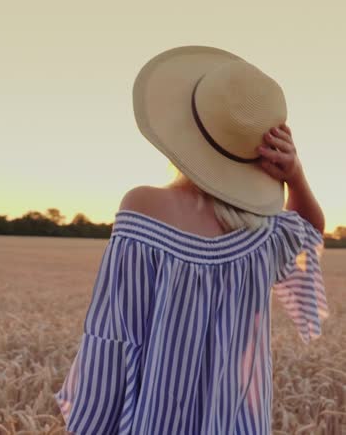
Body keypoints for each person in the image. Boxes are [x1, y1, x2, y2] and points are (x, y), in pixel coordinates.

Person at [53, 45, 329, 434]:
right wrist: (295, 176)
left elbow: (114, 334)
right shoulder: (265, 235)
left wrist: (92, 424)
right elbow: (311, 229)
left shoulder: (142, 207)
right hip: (240, 424)